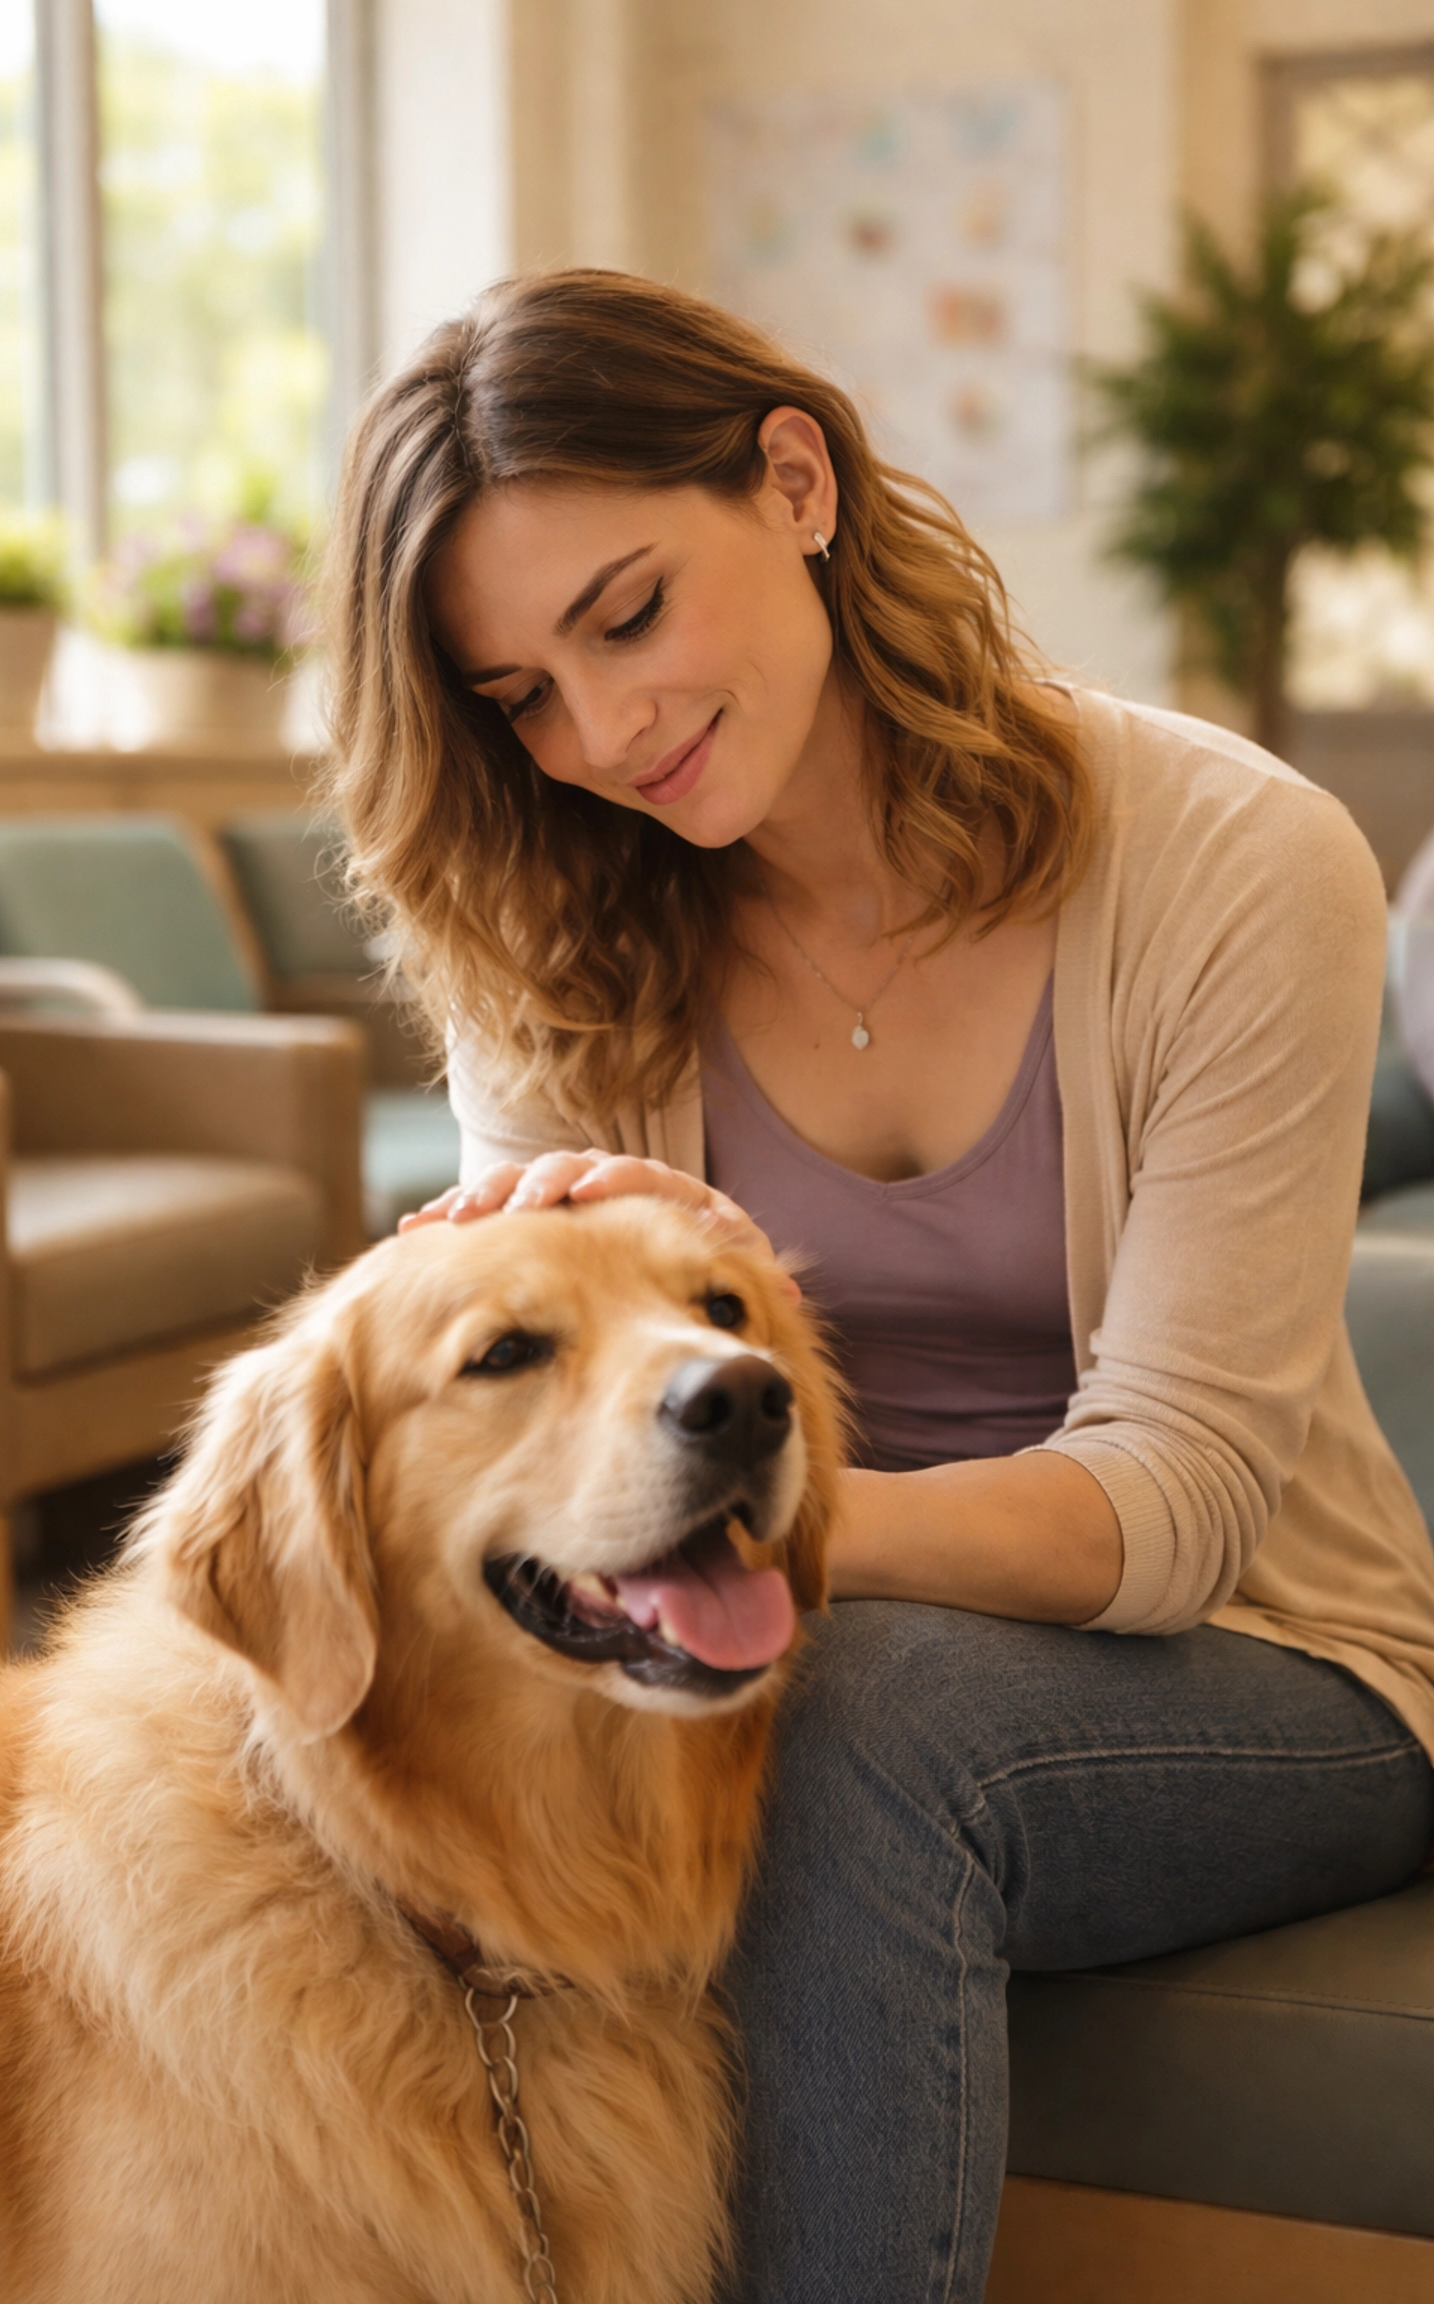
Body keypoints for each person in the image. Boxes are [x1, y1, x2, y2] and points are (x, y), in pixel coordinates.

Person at [324, 269, 1434, 2302]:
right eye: (521, 699)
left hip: (1281, 1659)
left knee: (847, 1722)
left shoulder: (1238, 862)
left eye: (628, 614)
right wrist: (560, 1333)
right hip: (741, 1618)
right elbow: (531, 1464)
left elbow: (1177, 1511)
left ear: (796, 480)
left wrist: (742, 1536)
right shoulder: (552, 918)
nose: (604, 732)